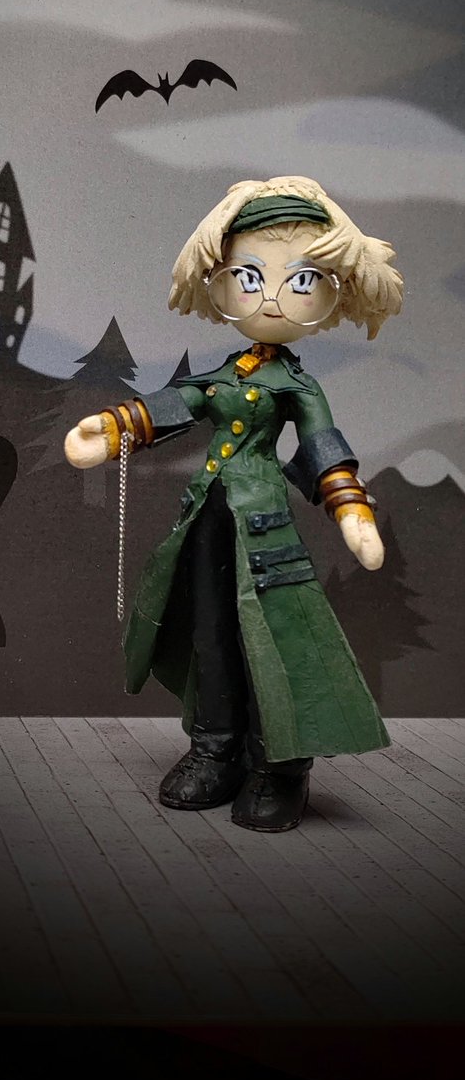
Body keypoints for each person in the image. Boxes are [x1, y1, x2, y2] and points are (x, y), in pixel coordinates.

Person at [64, 176, 403, 832]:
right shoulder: (226, 373)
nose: (271, 296)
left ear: (333, 291)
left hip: (266, 533)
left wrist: (352, 511)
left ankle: (279, 765)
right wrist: (110, 429)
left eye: (300, 280)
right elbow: (180, 401)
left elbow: (323, 448)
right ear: (218, 283)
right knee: (210, 635)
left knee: (272, 642)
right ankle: (214, 748)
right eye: (249, 276)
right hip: (206, 526)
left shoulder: (296, 386)